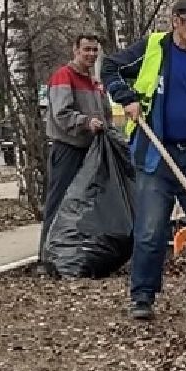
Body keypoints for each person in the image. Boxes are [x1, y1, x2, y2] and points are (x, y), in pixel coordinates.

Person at [103, 0, 186, 322]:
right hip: (156, 156)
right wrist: (126, 98)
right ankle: (142, 297)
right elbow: (109, 67)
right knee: (150, 231)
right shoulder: (153, 48)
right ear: (175, 21)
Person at [37, 33, 111, 264]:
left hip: (90, 150)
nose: (91, 54)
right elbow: (61, 114)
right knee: (59, 201)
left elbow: (105, 113)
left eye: (94, 50)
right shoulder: (64, 76)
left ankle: (73, 255)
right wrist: (86, 122)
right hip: (68, 149)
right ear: (75, 50)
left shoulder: (94, 82)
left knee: (83, 203)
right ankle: (47, 256)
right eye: (86, 49)